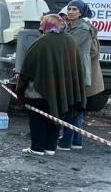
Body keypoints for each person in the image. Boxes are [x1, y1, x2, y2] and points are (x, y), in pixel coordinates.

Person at [15, 14, 86, 156]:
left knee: (37, 119)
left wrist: (20, 86)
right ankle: (50, 148)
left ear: (46, 25)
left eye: (42, 23)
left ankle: (37, 148)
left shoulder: (42, 42)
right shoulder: (71, 40)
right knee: (56, 118)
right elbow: (77, 67)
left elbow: (28, 66)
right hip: (62, 91)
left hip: (39, 91)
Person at [60, 0, 102, 149]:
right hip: (73, 70)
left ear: (81, 13)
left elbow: (71, 47)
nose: (70, 11)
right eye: (69, 9)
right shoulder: (71, 26)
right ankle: (76, 141)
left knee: (73, 107)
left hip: (77, 72)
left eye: (74, 10)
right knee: (77, 106)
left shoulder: (83, 29)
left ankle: (66, 141)